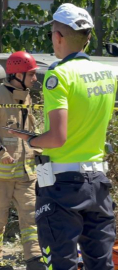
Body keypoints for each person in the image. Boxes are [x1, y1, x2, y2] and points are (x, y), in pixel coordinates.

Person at [9, 3, 117, 270]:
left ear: (58, 36)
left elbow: (57, 138)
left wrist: (31, 140)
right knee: (101, 264)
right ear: (88, 37)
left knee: (61, 264)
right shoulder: (108, 74)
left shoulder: (58, 75)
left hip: (62, 185)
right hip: (98, 183)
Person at [0, 52, 46, 270]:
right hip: (2, 173)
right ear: (17, 74)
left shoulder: (25, 95)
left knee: (31, 218)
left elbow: (29, 130)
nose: (35, 79)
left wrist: (40, 149)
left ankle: (34, 259)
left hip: (26, 173)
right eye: (32, 74)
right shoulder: (0, 95)